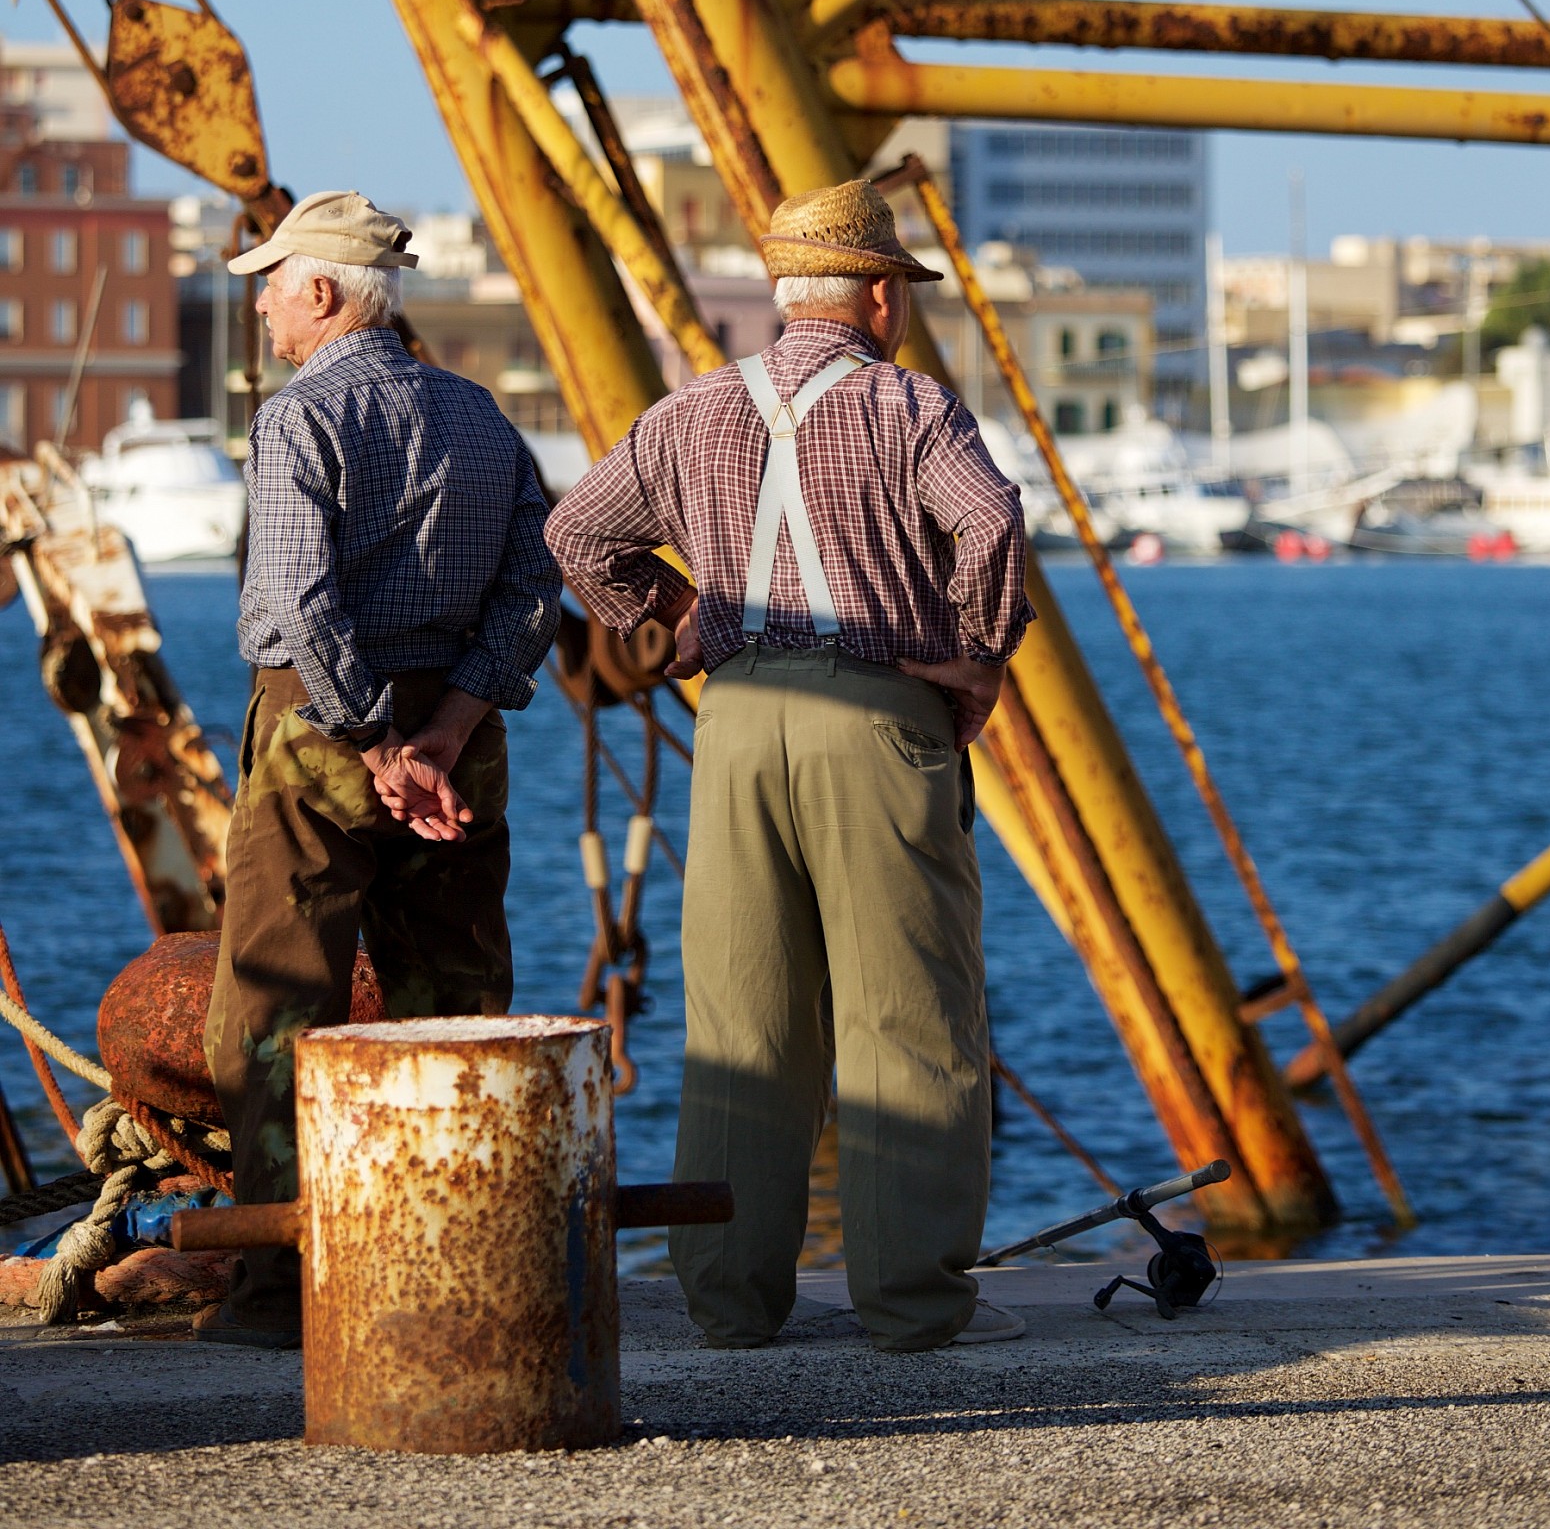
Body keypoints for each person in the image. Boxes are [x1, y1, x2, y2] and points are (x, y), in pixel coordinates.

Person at [547, 178, 1034, 1353]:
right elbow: (991, 524)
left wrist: (678, 617)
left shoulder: (690, 411)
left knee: (740, 1020)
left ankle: (727, 1298)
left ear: (782, 298)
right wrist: (972, 654)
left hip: (737, 723)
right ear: (878, 296)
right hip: (873, 719)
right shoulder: (909, 405)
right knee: (906, 1017)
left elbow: (575, 533)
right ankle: (913, 1303)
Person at [203, 190, 560, 1348]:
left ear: (320, 292)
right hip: (461, 746)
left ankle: (272, 1298)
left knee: (272, 1008)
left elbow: (303, 599)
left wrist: (372, 743)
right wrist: (446, 731)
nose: (258, 301)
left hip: (319, 740)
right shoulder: (482, 419)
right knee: (453, 1002)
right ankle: (450, 1267)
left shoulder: (296, 421)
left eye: (271, 280)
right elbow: (528, 591)